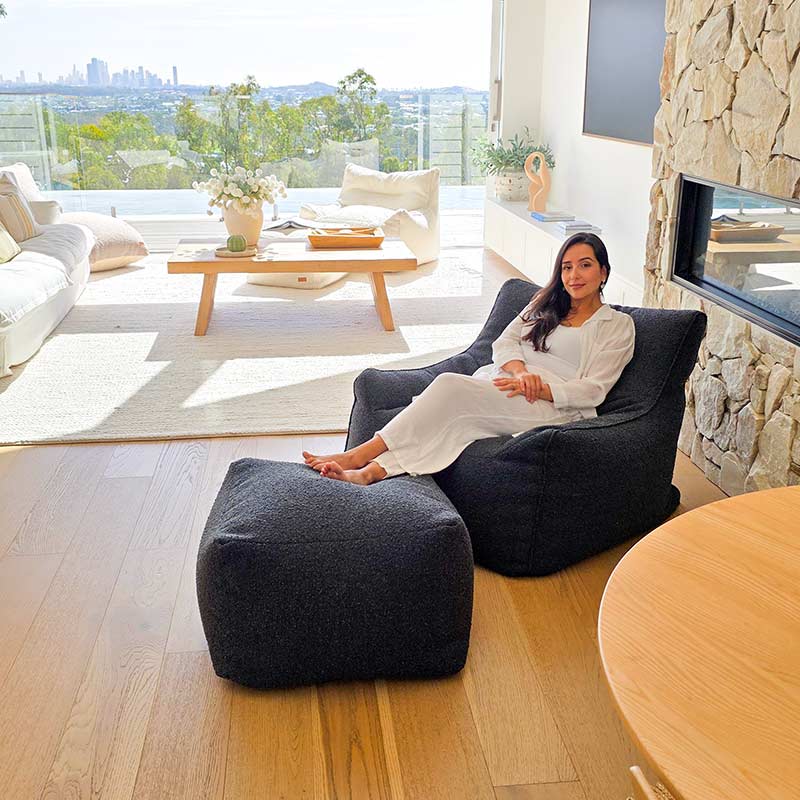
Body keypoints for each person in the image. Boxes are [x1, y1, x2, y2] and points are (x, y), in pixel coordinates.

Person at [303, 232, 636, 485]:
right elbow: (504, 343)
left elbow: (595, 389)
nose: (574, 275)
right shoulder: (544, 305)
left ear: (603, 272)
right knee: (456, 422)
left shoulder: (618, 326)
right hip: (509, 382)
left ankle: (358, 454)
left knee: (449, 387)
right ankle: (369, 474)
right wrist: (521, 373)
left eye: (585, 265)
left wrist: (544, 389)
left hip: (554, 405)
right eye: (567, 267)